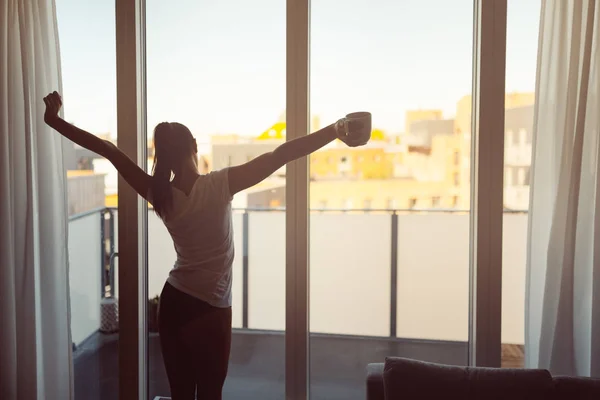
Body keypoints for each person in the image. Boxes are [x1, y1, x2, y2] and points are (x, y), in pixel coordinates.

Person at [43, 91, 367, 400]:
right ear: (194, 146)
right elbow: (281, 154)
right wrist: (336, 129)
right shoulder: (219, 184)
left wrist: (54, 120)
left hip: (175, 302)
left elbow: (108, 150)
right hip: (211, 308)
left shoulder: (160, 193)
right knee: (210, 395)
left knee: (182, 395)